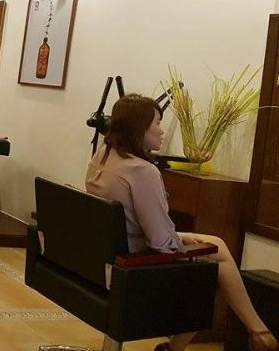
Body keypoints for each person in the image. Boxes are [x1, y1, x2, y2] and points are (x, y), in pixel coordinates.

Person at [86, 94, 277, 351]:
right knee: (210, 270)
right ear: (139, 128)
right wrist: (179, 239)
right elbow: (161, 243)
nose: (161, 130)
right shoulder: (142, 171)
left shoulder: (103, 154)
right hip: (132, 266)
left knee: (213, 245)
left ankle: (255, 331)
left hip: (100, 258)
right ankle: (258, 332)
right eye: (157, 123)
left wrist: (181, 237)